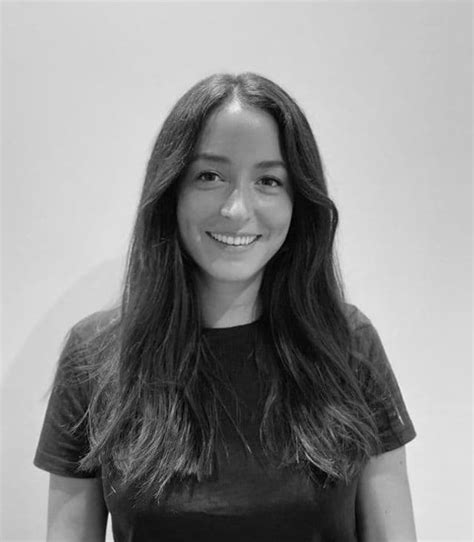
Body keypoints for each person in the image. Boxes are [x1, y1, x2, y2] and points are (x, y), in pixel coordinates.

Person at [34, 72, 417, 542]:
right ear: (171, 191)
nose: (237, 209)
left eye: (269, 180)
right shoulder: (95, 356)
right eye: (210, 176)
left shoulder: (348, 344)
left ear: (298, 201)